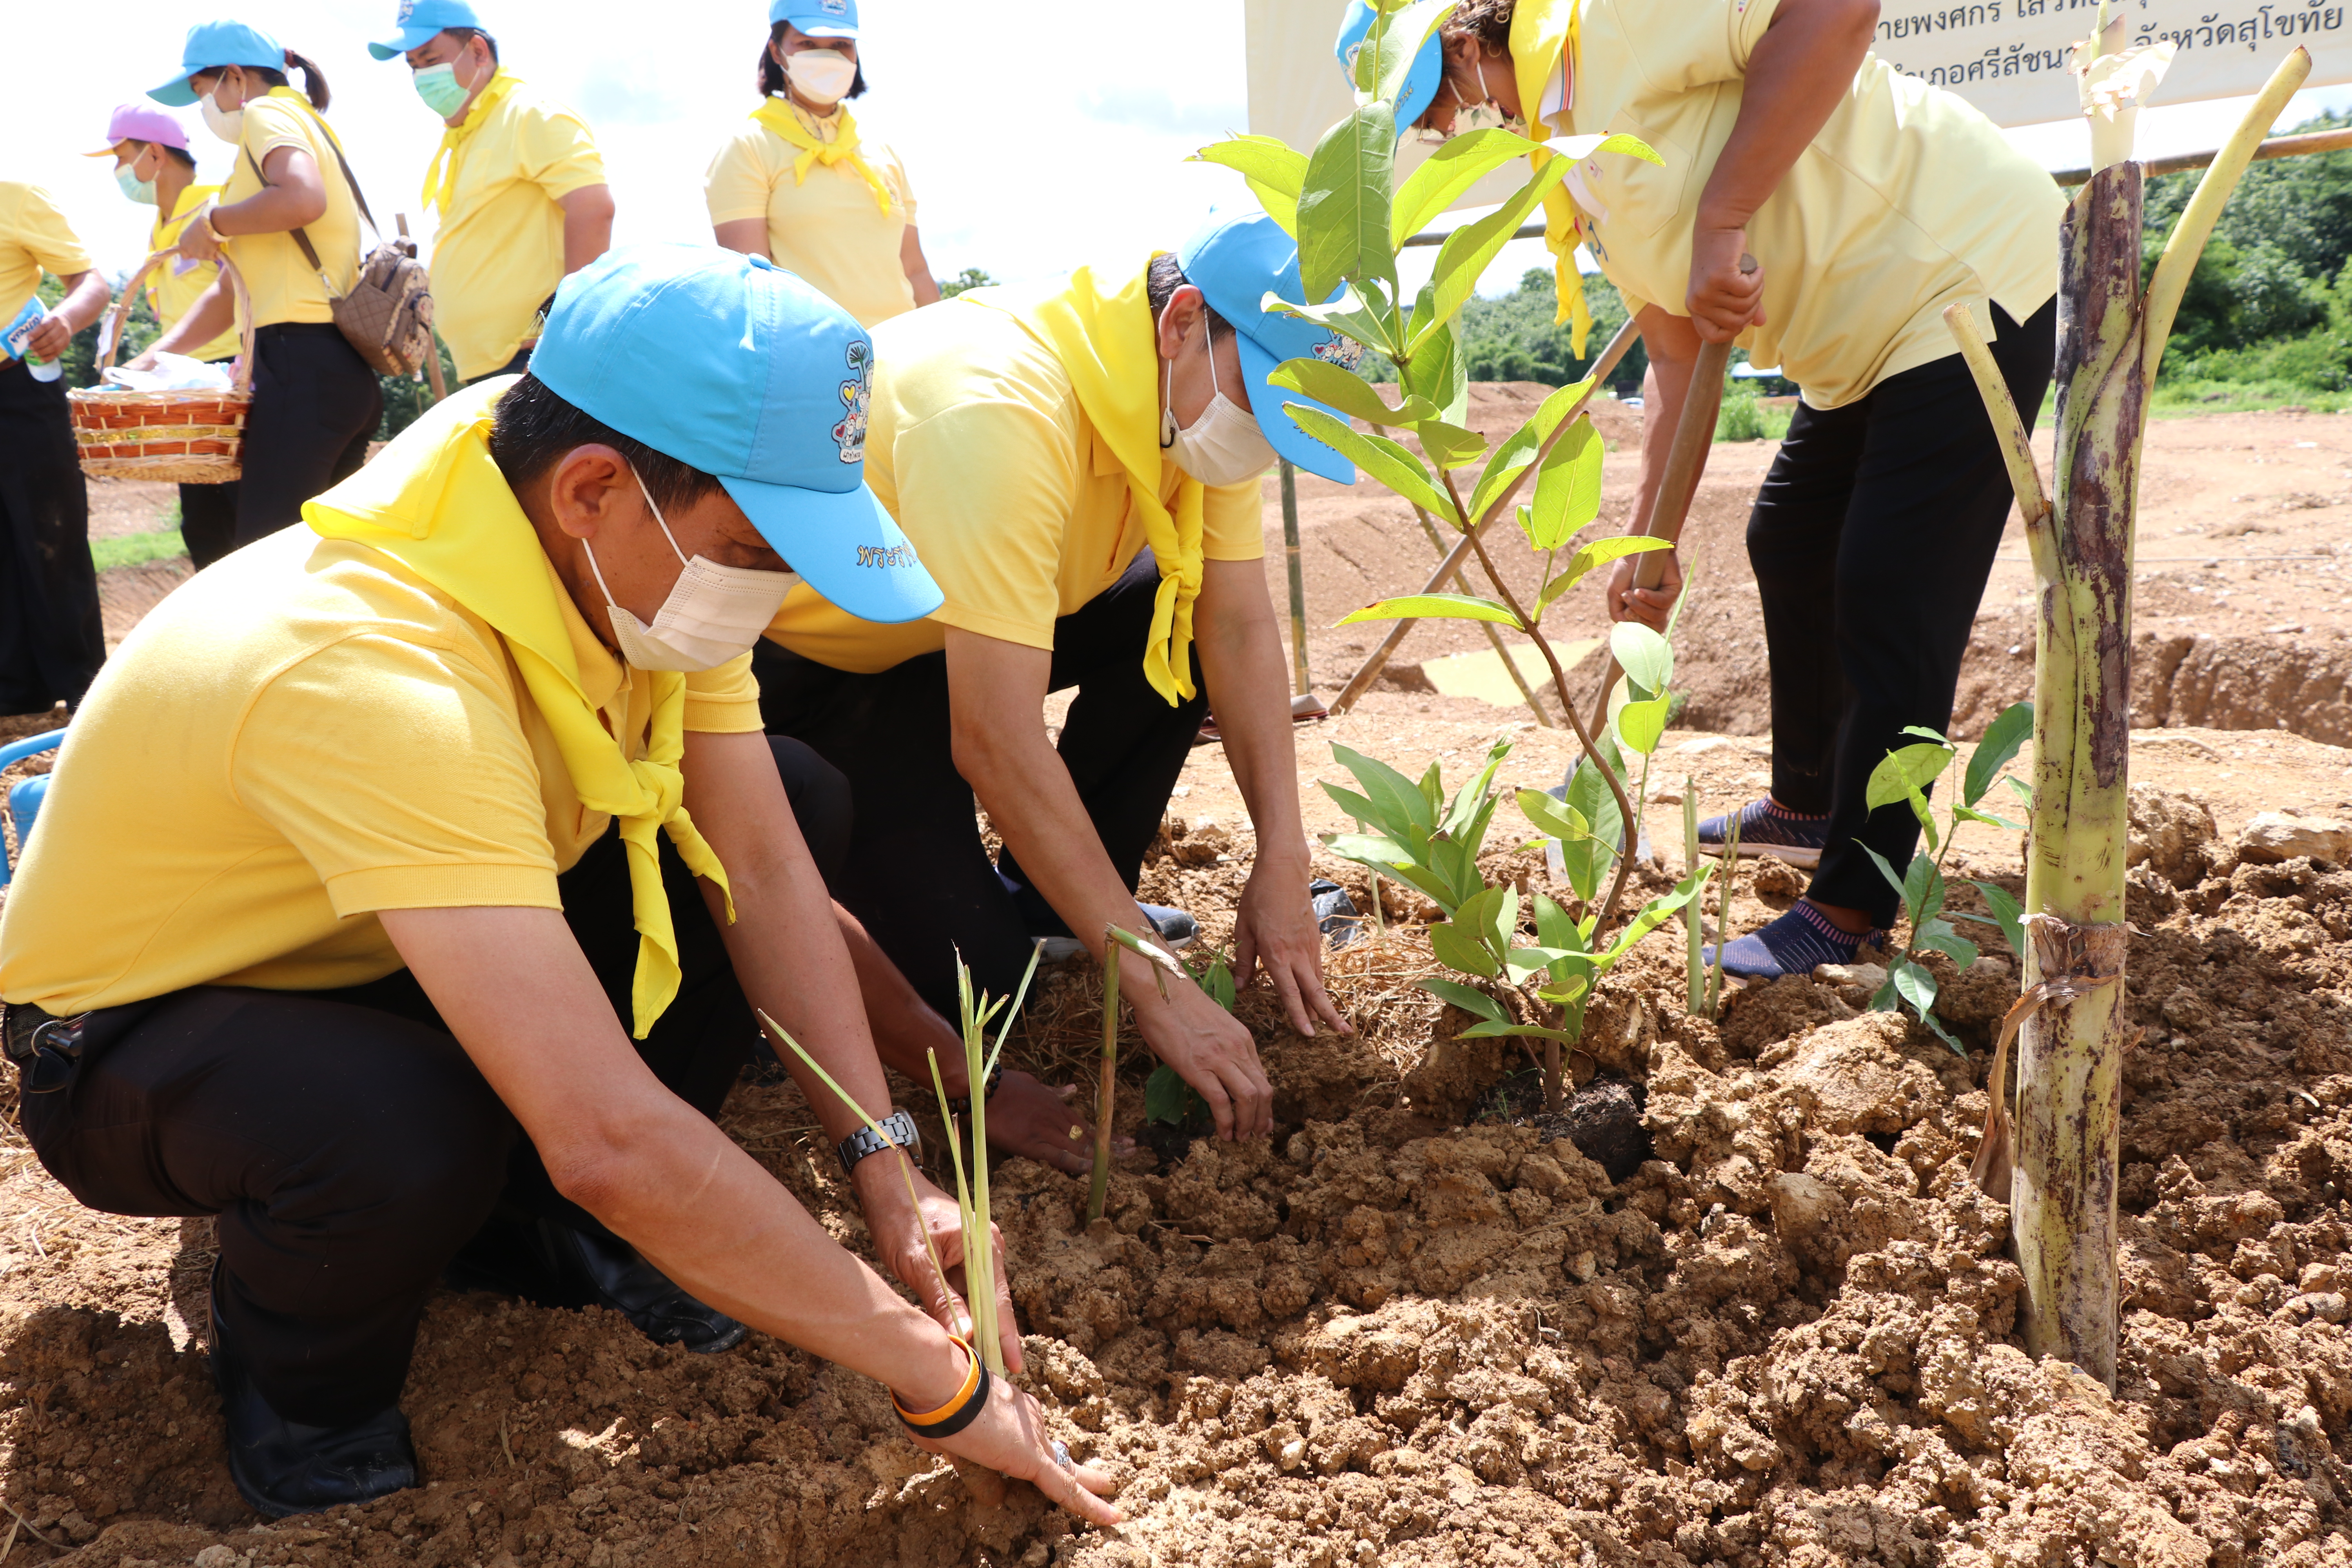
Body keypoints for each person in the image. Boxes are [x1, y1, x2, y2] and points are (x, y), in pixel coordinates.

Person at [0, 244, 1119, 1529]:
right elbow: (610, 1140)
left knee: (793, 796)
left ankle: (526, 1227)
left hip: (376, 946)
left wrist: (887, 1164)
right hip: (141, 1039)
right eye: (756, 548)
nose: (775, 590)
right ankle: (307, 1402)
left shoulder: (613, 540)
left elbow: (760, 864)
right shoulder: (374, 665)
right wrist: (938, 1381)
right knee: (402, 1124)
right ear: (592, 487)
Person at [1339, 0, 2060, 978]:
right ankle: (1808, 806)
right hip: (1855, 345)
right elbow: (1676, 362)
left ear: (1465, 44)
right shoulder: (1573, 157)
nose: (1449, 127)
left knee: (1887, 589)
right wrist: (1651, 542)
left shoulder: (1612, 22)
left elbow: (1838, 12)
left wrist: (1721, 214)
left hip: (1958, 275)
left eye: (1439, 102)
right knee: (1790, 542)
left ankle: (1849, 906)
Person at [754, 209, 1357, 1147]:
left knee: (1170, 603)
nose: (1263, 441)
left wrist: (1283, 854)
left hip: (942, 635)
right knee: (987, 994)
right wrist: (1156, 984)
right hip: (824, 673)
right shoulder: (999, 407)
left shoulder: (1190, 400)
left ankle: (1058, 907)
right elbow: (993, 738)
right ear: (1183, 320)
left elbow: (1235, 624)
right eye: (1263, 399)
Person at [132, 18, 383, 556]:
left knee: (262, 561)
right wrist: (152, 359)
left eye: (202, 90)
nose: (204, 107)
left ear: (234, 77)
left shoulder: (265, 115)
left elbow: (303, 197)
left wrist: (215, 222)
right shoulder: (306, 123)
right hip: (338, 370)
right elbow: (229, 291)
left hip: (299, 366)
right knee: (320, 561)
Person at [367, 0, 616, 384]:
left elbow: (594, 209)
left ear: (479, 51)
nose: (421, 75)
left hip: (534, 360)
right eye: (413, 65)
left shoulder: (530, 114)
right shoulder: (466, 136)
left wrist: (566, 336)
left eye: (430, 59)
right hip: (491, 365)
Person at [707, 0, 940, 328]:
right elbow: (753, 288)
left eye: (841, 44)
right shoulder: (749, 147)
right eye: (808, 44)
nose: (828, 57)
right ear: (776, 52)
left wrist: (943, 341)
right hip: (813, 353)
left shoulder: (882, 150)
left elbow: (915, 270)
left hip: (903, 348)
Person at [87, 103, 246, 569]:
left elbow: (237, 292)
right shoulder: (159, 231)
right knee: (202, 526)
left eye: (121, 158)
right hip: (185, 394)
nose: (117, 172)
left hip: (232, 386)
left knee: (244, 519)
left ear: (155, 155)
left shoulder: (215, 207)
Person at [0, 182, 108, 718]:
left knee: (52, 536)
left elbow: (91, 282)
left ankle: (85, 693)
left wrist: (65, 319)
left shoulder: (14, 199)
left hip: (20, 384)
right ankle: (15, 700)